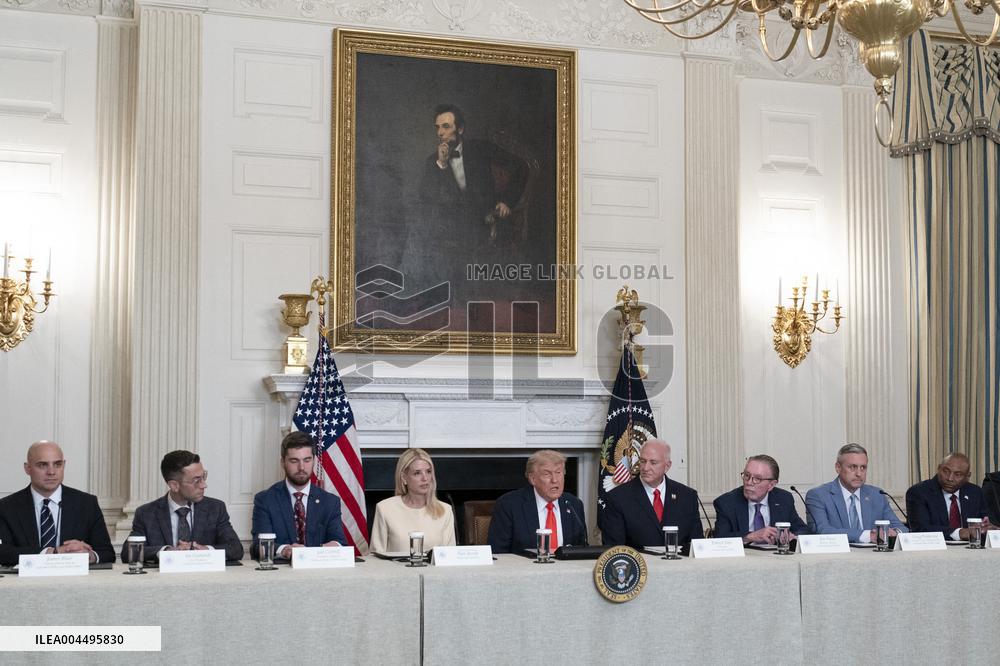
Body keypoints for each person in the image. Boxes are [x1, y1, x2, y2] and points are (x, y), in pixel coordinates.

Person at [0, 441, 114, 566]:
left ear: (64, 465)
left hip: (75, 582)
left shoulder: (87, 503)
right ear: (28, 468)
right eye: (43, 465)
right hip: (25, 583)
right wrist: (52, 553)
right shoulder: (6, 507)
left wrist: (89, 556)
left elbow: (107, 553)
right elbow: (3, 553)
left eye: (57, 464)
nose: (51, 472)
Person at [121, 450, 243, 562]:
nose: (204, 485)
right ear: (174, 485)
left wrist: (205, 550)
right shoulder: (146, 513)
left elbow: (236, 549)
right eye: (196, 480)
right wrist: (166, 551)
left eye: (203, 477)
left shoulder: (215, 508)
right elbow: (128, 552)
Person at [251, 432, 346, 560]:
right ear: (283, 462)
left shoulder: (330, 502)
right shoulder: (265, 500)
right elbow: (258, 547)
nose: (301, 467)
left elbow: (339, 542)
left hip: (319, 572)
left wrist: (318, 551)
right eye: (294, 461)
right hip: (281, 573)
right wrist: (284, 550)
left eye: (307, 460)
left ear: (314, 461)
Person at [601, 439, 704, 549]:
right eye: (643, 461)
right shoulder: (618, 497)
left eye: (653, 462)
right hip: (640, 564)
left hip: (680, 564)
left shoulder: (687, 496)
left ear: (667, 466)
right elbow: (614, 549)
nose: (646, 468)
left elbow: (697, 545)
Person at [487, 449, 587, 554]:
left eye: (558, 472)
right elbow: (497, 552)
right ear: (532, 478)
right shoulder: (509, 505)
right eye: (547, 474)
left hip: (567, 569)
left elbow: (582, 547)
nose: (555, 480)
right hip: (525, 569)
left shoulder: (574, 504)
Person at [805, 443, 907, 542]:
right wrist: (868, 536)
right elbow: (822, 531)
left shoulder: (877, 495)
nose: (859, 473)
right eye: (853, 467)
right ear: (838, 468)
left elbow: (900, 527)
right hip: (838, 556)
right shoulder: (818, 495)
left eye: (863, 467)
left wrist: (894, 533)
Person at [370, 448, 456, 553]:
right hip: (395, 569)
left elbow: (451, 557)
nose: (425, 478)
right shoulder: (385, 508)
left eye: (428, 471)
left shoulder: (445, 510)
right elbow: (376, 557)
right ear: (404, 477)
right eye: (417, 473)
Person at [713, 454, 809, 544]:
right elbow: (720, 539)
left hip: (776, 558)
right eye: (747, 475)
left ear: (771, 485)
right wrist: (749, 537)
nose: (749, 482)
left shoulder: (783, 499)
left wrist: (792, 536)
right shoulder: (727, 502)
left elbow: (803, 530)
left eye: (757, 479)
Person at [906, 452, 996, 539]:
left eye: (958, 474)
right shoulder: (919, 492)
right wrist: (960, 533)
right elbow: (920, 529)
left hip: (971, 549)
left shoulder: (975, 492)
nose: (950, 478)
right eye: (946, 471)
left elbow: (985, 521)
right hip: (936, 550)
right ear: (939, 469)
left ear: (967, 476)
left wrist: (988, 527)